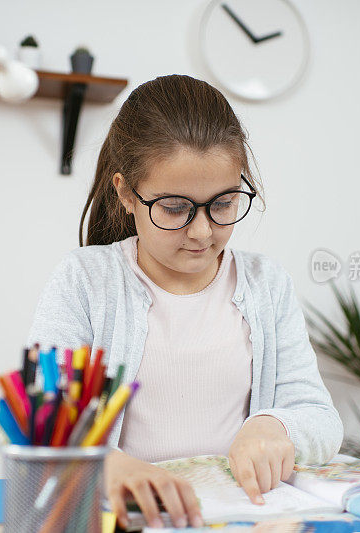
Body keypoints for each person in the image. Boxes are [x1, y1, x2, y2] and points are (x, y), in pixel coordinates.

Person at [25, 74, 343, 530]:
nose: (201, 231)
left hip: (242, 519)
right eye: (175, 208)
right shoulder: (86, 280)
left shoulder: (265, 283)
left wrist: (276, 426)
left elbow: (319, 415)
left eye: (224, 203)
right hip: (128, 519)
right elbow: (44, 416)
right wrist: (102, 463)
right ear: (126, 194)